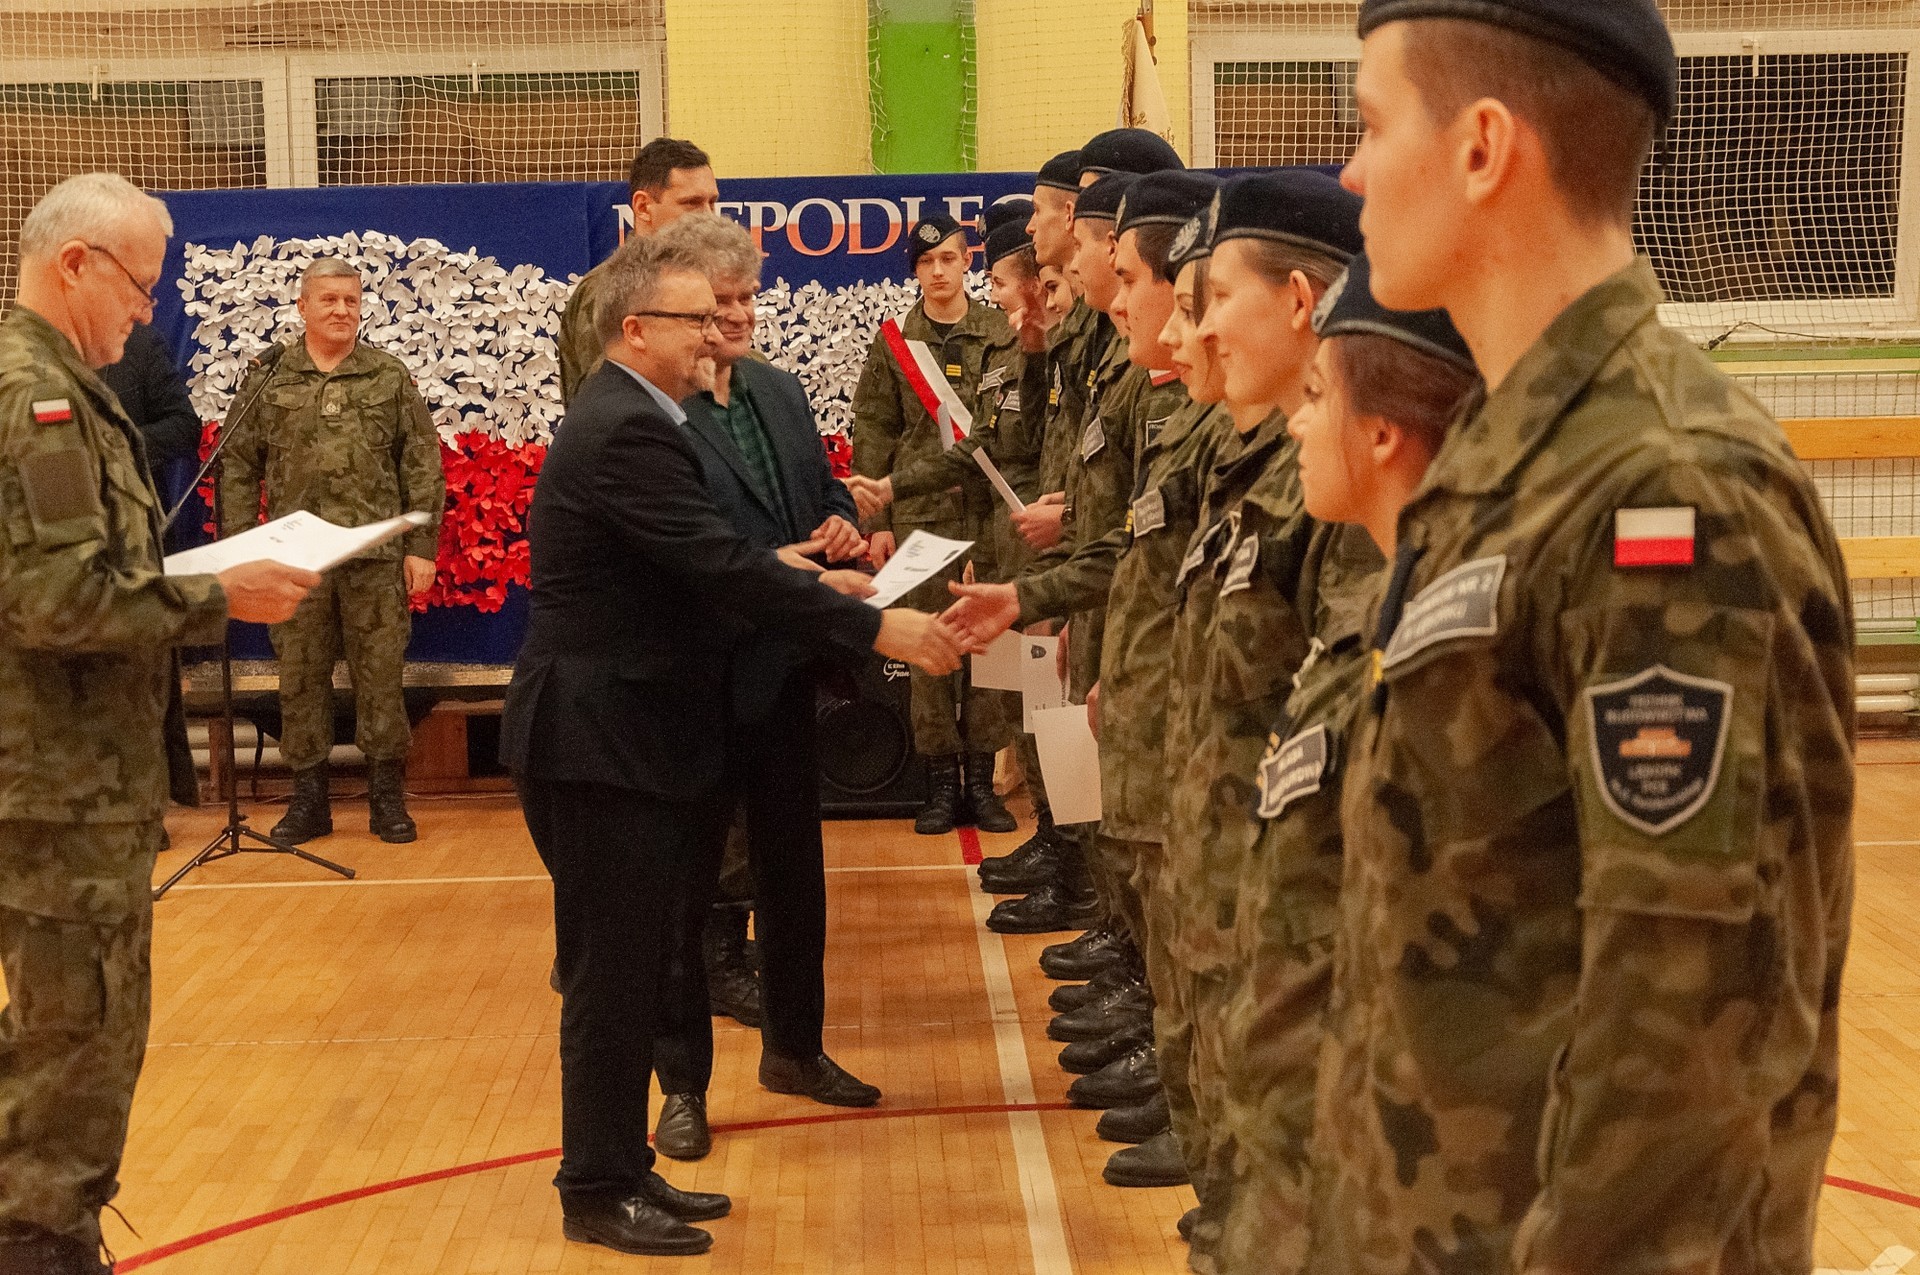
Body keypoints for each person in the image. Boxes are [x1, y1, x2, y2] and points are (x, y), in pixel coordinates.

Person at [1308, 2, 1855, 1271]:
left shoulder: (1666, 487)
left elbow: (1687, 1048)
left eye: (1373, 125)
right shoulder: (1507, 461)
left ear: (1483, 148)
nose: (1350, 173)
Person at [501, 231, 961, 1259]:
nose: (715, 333)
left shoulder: (638, 414)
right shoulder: (625, 425)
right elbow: (716, 563)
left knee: (629, 966)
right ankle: (596, 1186)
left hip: (633, 731)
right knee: (611, 975)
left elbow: (705, 568)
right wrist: (874, 625)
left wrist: (813, 574)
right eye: (695, 319)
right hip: (600, 739)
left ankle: (623, 1168)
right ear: (636, 330)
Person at [0, 172, 317, 1275]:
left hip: (80, 775)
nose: (147, 312)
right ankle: (37, 1240)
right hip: (56, 784)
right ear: (73, 264)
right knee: (71, 1041)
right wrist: (219, 594)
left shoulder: (67, 389)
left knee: (80, 1035)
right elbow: (56, 601)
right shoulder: (34, 400)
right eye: (139, 287)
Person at [1211, 253, 1475, 1275]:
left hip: (1380, 1180)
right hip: (1304, 1151)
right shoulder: (1377, 621)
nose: (1294, 424)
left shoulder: (1449, 656)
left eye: (1317, 396)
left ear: (1382, 431)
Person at [1153, 170, 1364, 1269]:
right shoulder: (1269, 467)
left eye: (1214, 298)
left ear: (1297, 301)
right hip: (1225, 899)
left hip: (1285, 934)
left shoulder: (1340, 489)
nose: (1193, 330)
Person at [647, 213, 884, 1165]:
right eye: (721, 302)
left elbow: (821, 489)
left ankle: (795, 1048)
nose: (740, 315)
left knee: (794, 875)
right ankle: (682, 1087)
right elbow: (683, 550)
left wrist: (838, 524)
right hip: (697, 678)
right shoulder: (657, 411)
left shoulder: (779, 391)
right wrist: (779, 563)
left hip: (784, 671)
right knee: (688, 890)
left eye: (748, 297)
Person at [220, 259, 445, 846]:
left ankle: (387, 799)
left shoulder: (387, 375)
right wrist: (242, 549)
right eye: (329, 300)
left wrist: (421, 548)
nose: (342, 310)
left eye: (351, 300)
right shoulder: (270, 378)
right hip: (295, 562)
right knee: (300, 678)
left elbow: (421, 463)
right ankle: (308, 801)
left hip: (375, 558)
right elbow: (237, 466)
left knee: (381, 678)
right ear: (303, 307)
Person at [849, 215, 1015, 836]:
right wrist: (877, 521)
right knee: (928, 646)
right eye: (926, 262)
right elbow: (875, 429)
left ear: (968, 260)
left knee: (989, 643)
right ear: (914, 271)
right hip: (921, 514)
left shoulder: (1001, 331)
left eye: (948, 258)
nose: (938, 271)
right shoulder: (895, 342)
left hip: (991, 511)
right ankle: (941, 782)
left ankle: (983, 781)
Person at [558, 136, 720, 405]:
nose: (708, 217)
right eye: (692, 203)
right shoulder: (606, 289)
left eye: (712, 203)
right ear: (643, 207)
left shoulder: (699, 279)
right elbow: (609, 398)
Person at [100, 320, 200, 494]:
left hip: (132, 495)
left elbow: (185, 426)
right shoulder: (49, 348)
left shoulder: (140, 343)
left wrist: (122, 444)